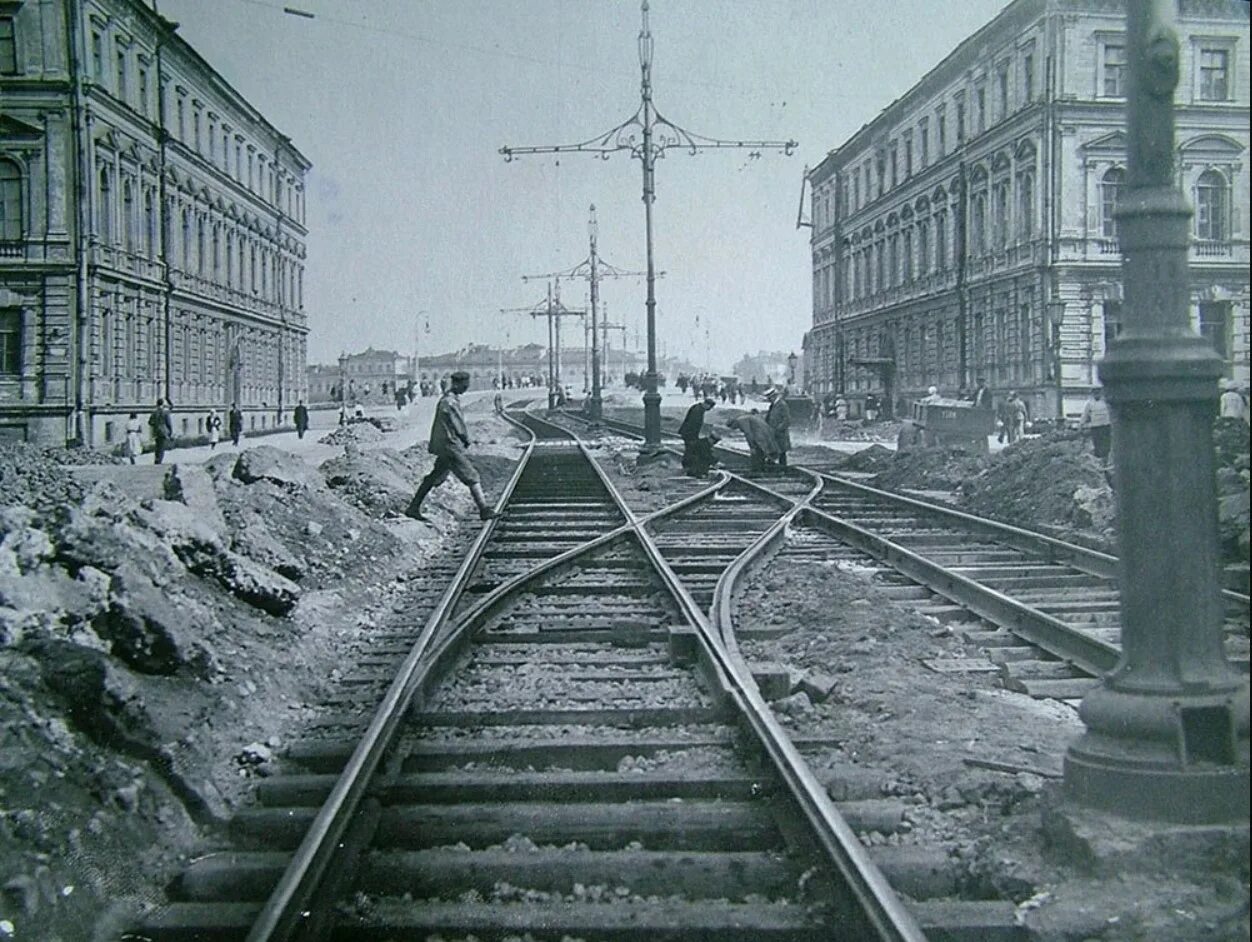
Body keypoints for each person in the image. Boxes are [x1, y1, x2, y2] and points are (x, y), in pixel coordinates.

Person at [402, 370, 498, 522]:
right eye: (465, 385)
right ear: (457, 384)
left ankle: (413, 507)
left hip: (446, 444)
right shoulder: (450, 402)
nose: (466, 388)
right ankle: (484, 510)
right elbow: (458, 424)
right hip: (450, 445)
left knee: (434, 477)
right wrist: (466, 439)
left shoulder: (448, 399)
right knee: (472, 476)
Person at [678, 397, 717, 477]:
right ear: (707, 405)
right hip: (689, 434)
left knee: (690, 450)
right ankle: (689, 467)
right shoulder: (698, 411)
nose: (709, 410)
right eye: (710, 407)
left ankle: (688, 467)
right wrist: (693, 437)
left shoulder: (697, 408)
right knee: (691, 450)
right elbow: (693, 425)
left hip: (688, 433)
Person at [1079, 386, 1112, 463]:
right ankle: (1099, 463)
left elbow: (1111, 413)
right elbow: (1085, 415)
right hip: (1095, 428)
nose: (1097, 394)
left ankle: (1105, 462)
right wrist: (1081, 425)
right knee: (1097, 446)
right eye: (1095, 392)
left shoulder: (1106, 402)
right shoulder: (1089, 403)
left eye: (1098, 392)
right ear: (1092, 393)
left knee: (1106, 446)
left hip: (1106, 426)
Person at [765, 386, 792, 468]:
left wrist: (778, 429)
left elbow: (787, 420)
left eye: (769, 398)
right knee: (773, 452)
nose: (769, 400)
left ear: (774, 396)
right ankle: (775, 468)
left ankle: (783, 469)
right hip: (773, 433)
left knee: (782, 453)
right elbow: (768, 418)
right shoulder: (772, 406)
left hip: (781, 434)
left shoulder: (782, 405)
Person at [148, 399, 173, 465]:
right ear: (162, 404)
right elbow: (169, 423)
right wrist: (170, 432)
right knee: (161, 446)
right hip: (163, 431)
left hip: (156, 431)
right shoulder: (165, 412)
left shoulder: (154, 413)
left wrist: (155, 424)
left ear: (157, 404)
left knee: (157, 445)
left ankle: (156, 458)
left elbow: (150, 422)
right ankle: (159, 460)